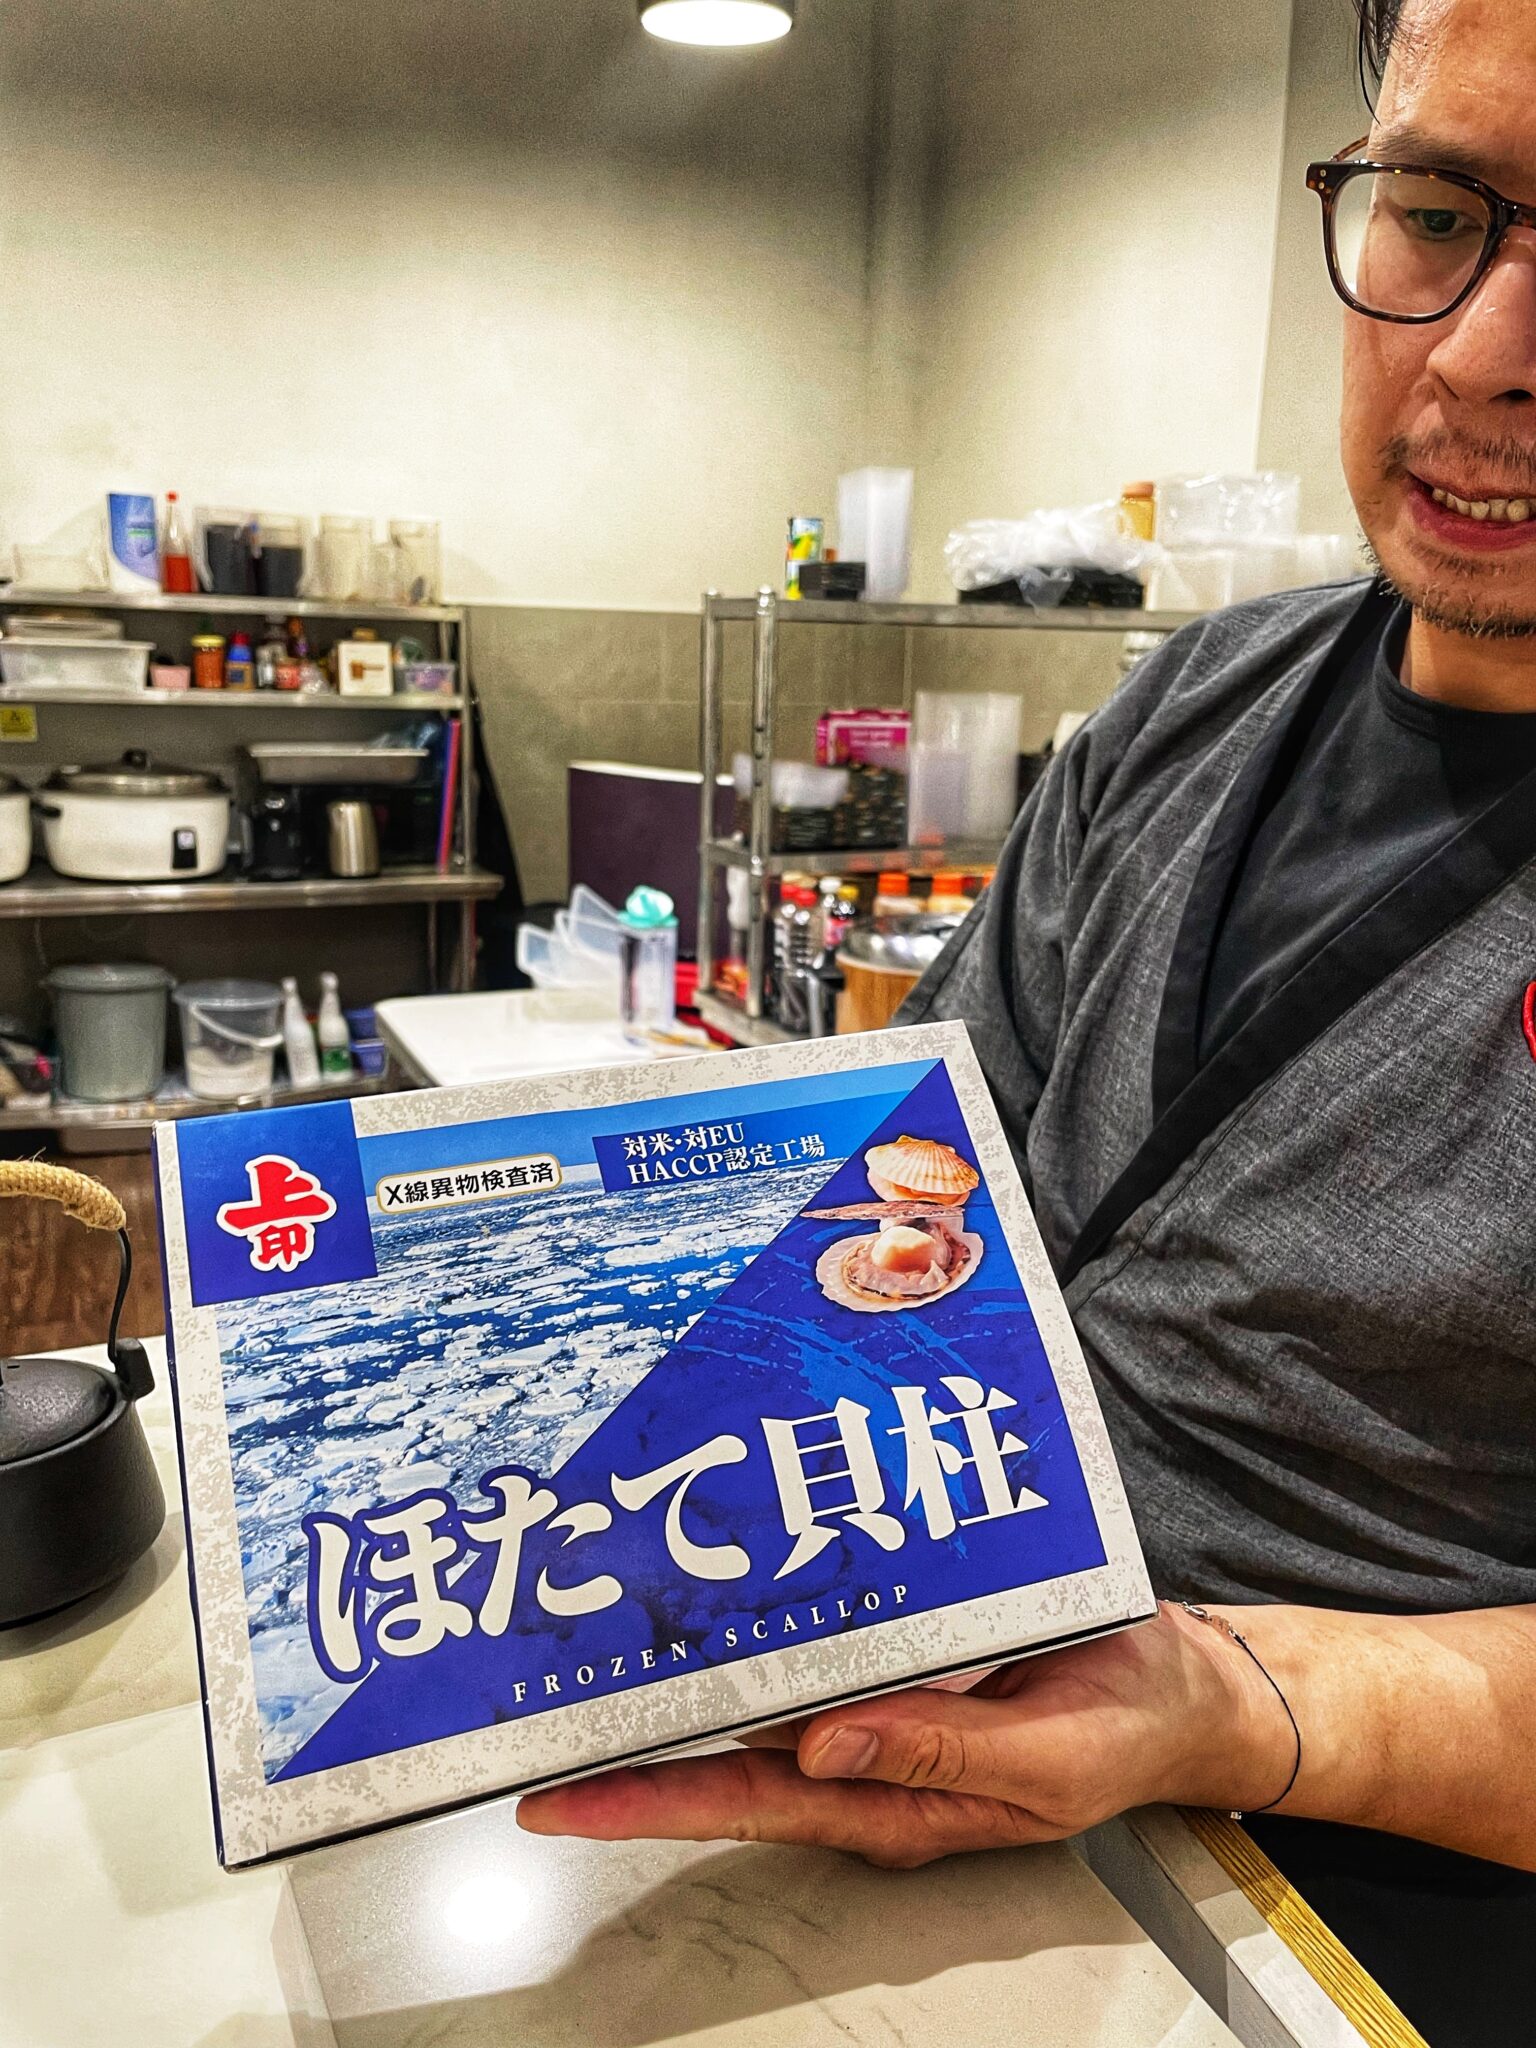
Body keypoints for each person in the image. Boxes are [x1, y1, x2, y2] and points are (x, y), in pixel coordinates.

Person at [520, 1, 1536, 2036]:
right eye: (1439, 212)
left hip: (1357, 1909)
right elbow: (918, 1189)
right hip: (935, 1746)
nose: (1482, 354)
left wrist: (1228, 1702)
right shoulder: (1193, 710)